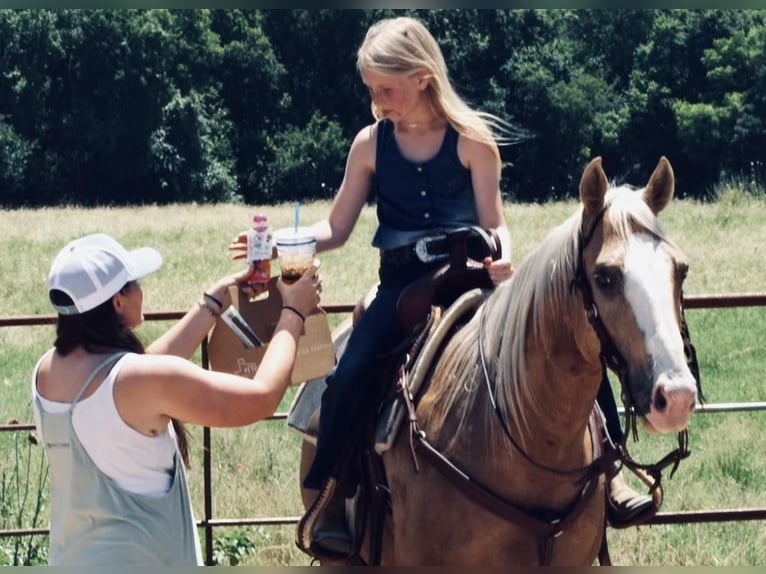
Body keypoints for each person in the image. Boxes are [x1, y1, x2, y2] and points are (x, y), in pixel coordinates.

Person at [235, 15, 650, 551]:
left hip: (471, 277)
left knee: (570, 345)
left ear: (422, 76)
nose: (378, 100)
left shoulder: (473, 140)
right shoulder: (370, 144)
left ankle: (611, 471)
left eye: (386, 88)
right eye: (372, 89)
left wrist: (502, 253)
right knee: (351, 372)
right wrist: (280, 244)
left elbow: (495, 222)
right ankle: (332, 495)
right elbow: (337, 228)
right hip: (403, 286)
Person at [31, 232, 321, 566]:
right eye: (134, 283)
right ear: (118, 302)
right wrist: (293, 312)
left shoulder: (46, 372)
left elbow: (131, 379)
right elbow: (260, 398)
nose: (142, 290)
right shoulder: (138, 381)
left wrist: (215, 301)